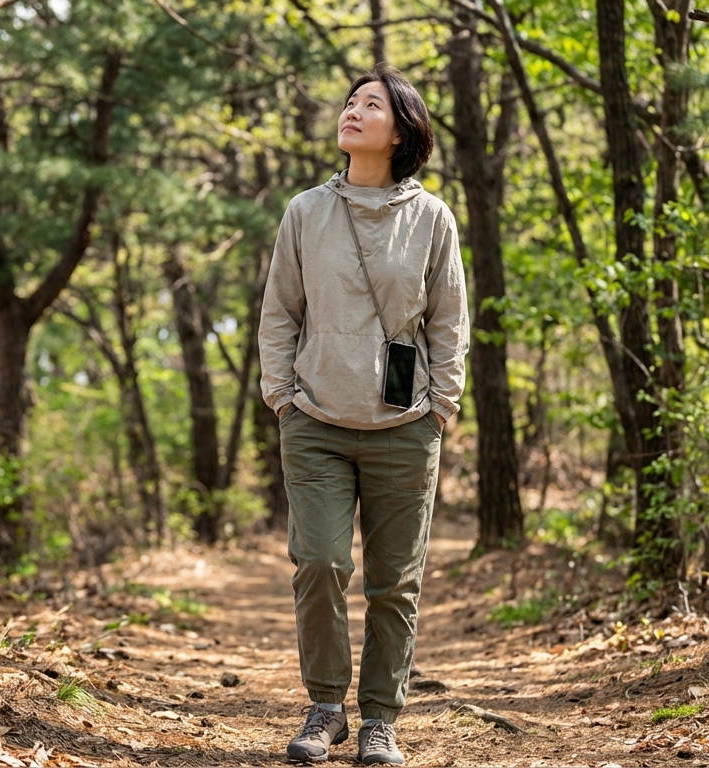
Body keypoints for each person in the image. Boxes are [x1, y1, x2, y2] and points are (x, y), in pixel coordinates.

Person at [258, 64, 468, 765]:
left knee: (394, 582)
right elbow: (280, 311)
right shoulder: (305, 213)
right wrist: (282, 395)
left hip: (405, 428)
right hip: (314, 419)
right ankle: (325, 707)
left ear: (402, 128)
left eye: (370, 104)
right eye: (349, 101)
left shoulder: (432, 218)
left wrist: (442, 404)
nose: (352, 111)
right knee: (318, 562)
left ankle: (380, 717)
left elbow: (448, 320)